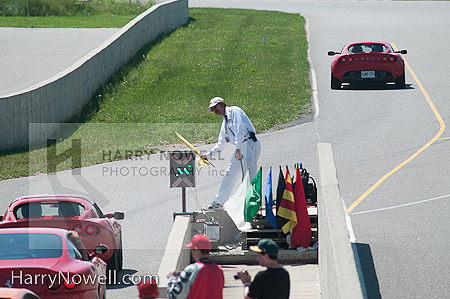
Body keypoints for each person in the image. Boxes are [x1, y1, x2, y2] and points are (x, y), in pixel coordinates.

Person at [202, 96, 261, 210]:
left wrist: (238, 149)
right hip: (240, 148)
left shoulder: (235, 111)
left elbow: (240, 129)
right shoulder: (224, 123)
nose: (215, 111)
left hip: (249, 144)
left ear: (222, 104)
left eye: (215, 107)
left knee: (248, 175)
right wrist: (207, 156)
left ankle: (250, 204)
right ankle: (218, 203)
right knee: (229, 173)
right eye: (213, 110)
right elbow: (221, 144)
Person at [167, 234, 224, 299]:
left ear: (196, 250)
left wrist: (172, 279)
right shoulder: (219, 270)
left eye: (192, 249)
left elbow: (176, 295)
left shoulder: (191, 269)